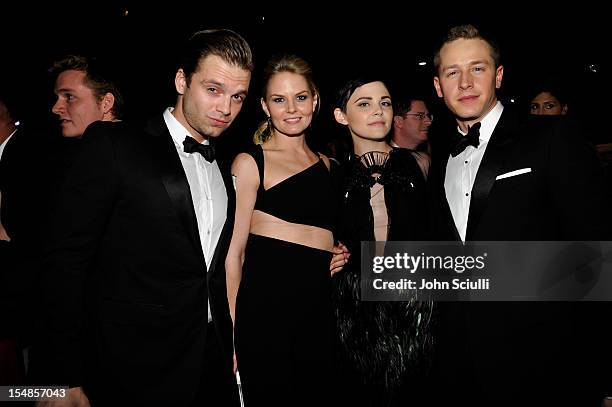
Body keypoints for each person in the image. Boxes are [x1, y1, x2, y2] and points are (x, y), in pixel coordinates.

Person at [39, 29, 253, 407]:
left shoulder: (223, 167)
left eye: (237, 96)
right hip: (131, 369)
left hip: (208, 362)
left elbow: (213, 270)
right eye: (213, 90)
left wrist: (229, 343)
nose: (226, 108)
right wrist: (61, 375)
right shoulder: (114, 144)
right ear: (181, 80)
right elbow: (65, 263)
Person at [429, 24, 612, 405]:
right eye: (452, 72)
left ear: (497, 75)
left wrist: (601, 374)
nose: (464, 82)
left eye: (476, 68)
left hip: (543, 360)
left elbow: (594, 254)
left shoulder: (550, 136)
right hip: (460, 365)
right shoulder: (437, 161)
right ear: (437, 85)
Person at [226, 54, 338, 406]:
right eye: (279, 99)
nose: (291, 108)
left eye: (300, 97)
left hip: (320, 312)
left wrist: (342, 253)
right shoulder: (250, 162)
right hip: (265, 313)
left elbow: (331, 236)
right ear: (264, 106)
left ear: (315, 99)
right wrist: (230, 336)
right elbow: (234, 255)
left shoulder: (332, 167)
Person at [331, 77, 433, 406]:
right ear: (340, 116)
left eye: (385, 103)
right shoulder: (330, 174)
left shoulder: (421, 164)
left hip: (415, 304)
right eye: (365, 103)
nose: (378, 111)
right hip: (355, 307)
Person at [50, 55, 124, 138]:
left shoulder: (103, 145)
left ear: (106, 102)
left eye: (70, 97)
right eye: (56, 98)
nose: (55, 109)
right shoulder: (130, 141)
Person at [390, 94, 433, 177]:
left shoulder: (427, 160)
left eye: (428, 116)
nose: (429, 122)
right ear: (399, 121)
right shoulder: (380, 160)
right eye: (420, 116)